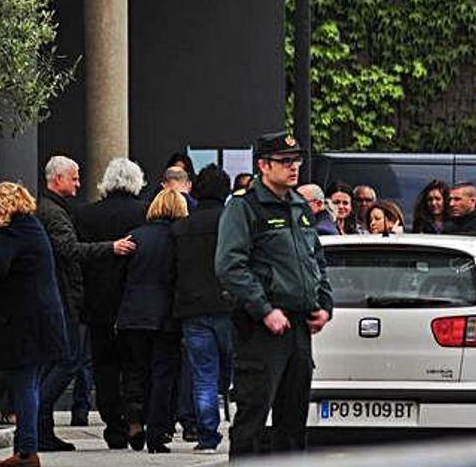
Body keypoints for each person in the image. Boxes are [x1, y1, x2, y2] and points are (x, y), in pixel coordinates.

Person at [216, 131, 333, 459]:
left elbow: (316, 260)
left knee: (293, 418)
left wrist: (325, 304)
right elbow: (230, 266)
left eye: (296, 161)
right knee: (253, 418)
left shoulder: (299, 206)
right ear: (264, 166)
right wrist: (264, 309)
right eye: (284, 161)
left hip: (298, 326)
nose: (293, 167)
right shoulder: (245, 207)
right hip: (261, 328)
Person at [36, 155, 136, 451]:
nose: (79, 184)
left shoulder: (68, 212)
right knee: (67, 362)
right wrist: (112, 247)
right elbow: (68, 249)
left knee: (74, 362)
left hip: (77, 298)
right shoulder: (55, 213)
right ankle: (38, 419)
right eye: (74, 178)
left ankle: (41, 425)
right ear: (57, 179)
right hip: (66, 296)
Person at [0, 182, 69, 467]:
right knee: (28, 383)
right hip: (43, 319)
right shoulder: (32, 228)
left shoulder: (10, 234)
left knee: (24, 385)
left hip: (23, 323)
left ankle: (27, 451)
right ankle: (24, 449)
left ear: (6, 206)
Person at [74, 157, 148, 449]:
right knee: (134, 364)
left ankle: (113, 426)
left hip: (98, 304)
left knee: (104, 367)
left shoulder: (85, 215)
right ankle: (134, 413)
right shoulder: (145, 213)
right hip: (133, 302)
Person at [117, 189, 189, 453]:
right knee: (163, 374)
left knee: (137, 371)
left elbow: (121, 276)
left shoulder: (135, 236)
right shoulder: (178, 238)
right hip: (165, 315)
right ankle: (157, 434)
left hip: (133, 313)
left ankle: (136, 420)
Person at [172, 165, 234, 453]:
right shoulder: (232, 222)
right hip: (230, 306)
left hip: (193, 308)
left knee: (203, 375)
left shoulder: (182, 227)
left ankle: (207, 435)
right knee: (241, 371)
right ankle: (242, 426)